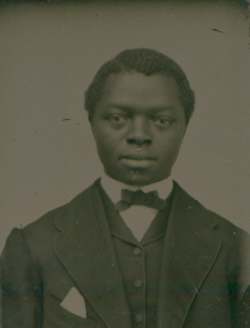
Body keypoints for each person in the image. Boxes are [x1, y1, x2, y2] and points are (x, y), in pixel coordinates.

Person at [1, 48, 250, 328]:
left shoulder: (237, 250)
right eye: (118, 118)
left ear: (185, 126)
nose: (139, 135)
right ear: (92, 123)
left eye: (161, 120)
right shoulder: (34, 246)